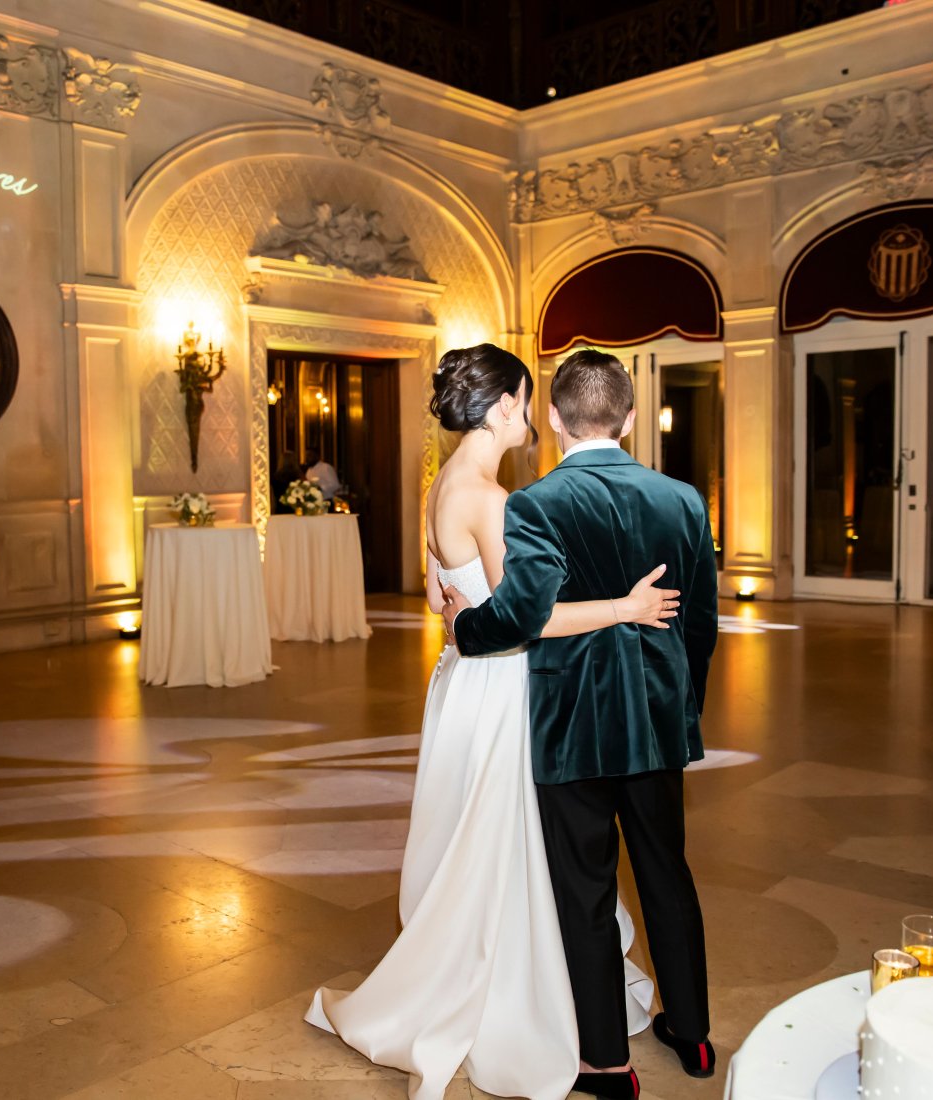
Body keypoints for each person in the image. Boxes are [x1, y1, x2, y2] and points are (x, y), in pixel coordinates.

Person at [306, 344, 678, 1100]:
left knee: (486, 851)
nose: (533, 418)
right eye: (526, 400)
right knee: (519, 852)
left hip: (461, 688)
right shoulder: (492, 498)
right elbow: (528, 620)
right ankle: (523, 1005)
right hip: (505, 690)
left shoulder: (443, 484)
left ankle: (510, 982)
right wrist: (628, 607)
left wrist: (461, 615)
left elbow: (454, 600)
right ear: (506, 405)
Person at [444, 348, 719, 1099]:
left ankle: (606, 1063)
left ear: (557, 422)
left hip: (572, 728)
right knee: (669, 875)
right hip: (657, 724)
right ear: (629, 417)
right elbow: (700, 628)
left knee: (586, 890)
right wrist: (679, 706)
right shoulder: (684, 500)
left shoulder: (536, 502)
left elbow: (523, 615)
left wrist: (463, 627)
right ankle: (692, 1038)